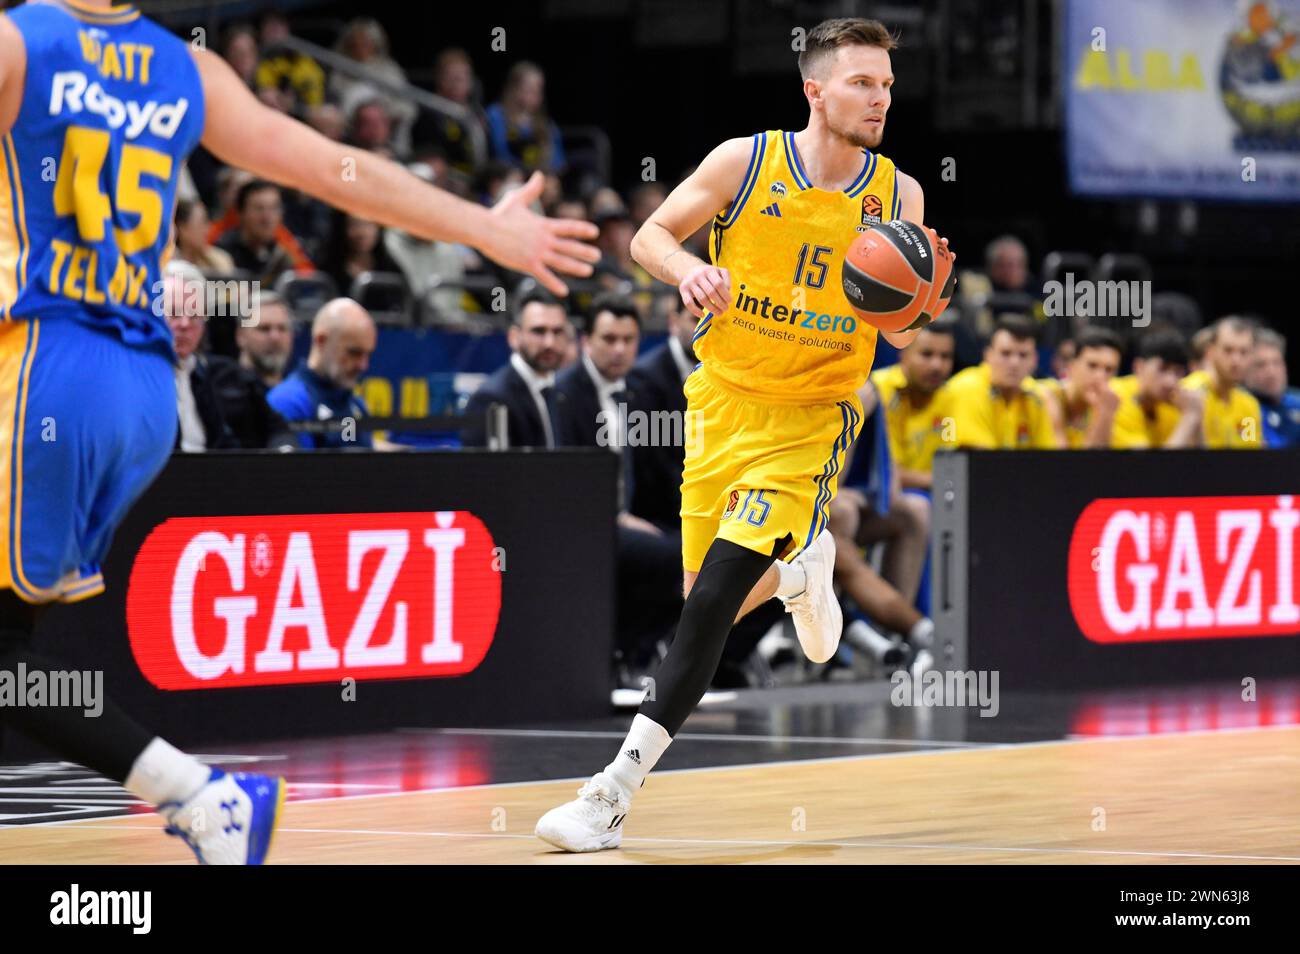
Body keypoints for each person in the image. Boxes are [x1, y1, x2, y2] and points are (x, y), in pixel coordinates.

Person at [0, 0, 597, 866]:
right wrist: (484, 227)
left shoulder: (20, 39)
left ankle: (204, 798)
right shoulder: (185, 68)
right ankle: (199, 798)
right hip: (140, 388)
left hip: (50, 359)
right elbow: (338, 169)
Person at [535, 17, 953, 851]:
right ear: (816, 89)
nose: (880, 99)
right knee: (704, 601)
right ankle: (803, 576)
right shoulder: (746, 161)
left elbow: (902, 336)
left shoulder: (894, 193)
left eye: (888, 86)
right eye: (863, 83)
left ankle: (610, 792)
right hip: (723, 401)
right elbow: (649, 235)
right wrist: (689, 268)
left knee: (716, 597)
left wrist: (921, 298)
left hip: (815, 413)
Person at [460, 287, 569, 448]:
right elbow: (481, 470)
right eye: (538, 331)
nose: (549, 343)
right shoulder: (491, 398)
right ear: (514, 337)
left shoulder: (565, 391)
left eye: (557, 331)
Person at [267, 299, 378, 449]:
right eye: (354, 352)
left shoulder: (357, 405)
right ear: (321, 341)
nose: (363, 365)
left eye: (368, 354)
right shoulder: (288, 402)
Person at [944, 316, 1059, 449]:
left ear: (1034, 360)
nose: (1014, 363)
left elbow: (1048, 459)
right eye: (1005, 353)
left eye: (1023, 355)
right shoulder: (968, 388)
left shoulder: (1036, 396)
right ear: (988, 355)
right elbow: (981, 462)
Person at [1110, 328, 1204, 449]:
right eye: (1162, 369)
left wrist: (1197, 418)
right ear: (1139, 367)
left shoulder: (1175, 403)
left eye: (1178, 372)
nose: (1170, 382)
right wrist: (1189, 418)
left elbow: (1200, 463)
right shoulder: (1117, 396)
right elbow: (1149, 467)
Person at [1181, 317, 1263, 449]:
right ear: (1210, 351)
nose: (1236, 360)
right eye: (1228, 350)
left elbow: (1251, 456)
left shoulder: (1249, 406)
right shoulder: (1191, 392)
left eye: (1244, 352)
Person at [1035, 327, 1123, 448]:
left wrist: (1104, 415)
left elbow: (1098, 464)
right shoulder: (1046, 395)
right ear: (1072, 366)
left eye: (1109, 370)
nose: (1100, 376)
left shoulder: (1109, 404)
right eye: (1092, 365)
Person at [1246, 328, 1300, 448]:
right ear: (1245, 371)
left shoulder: (1297, 403)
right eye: (1261, 365)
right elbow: (1247, 455)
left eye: (1276, 363)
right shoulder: (1244, 410)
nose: (1271, 372)